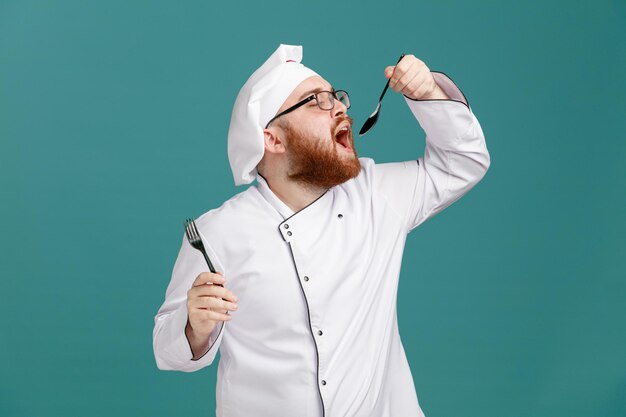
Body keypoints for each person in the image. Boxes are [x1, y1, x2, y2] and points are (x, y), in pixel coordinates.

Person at [153, 44, 490, 417]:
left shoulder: (375, 194)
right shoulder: (214, 234)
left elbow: (463, 162)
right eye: (317, 101)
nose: (341, 107)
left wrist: (427, 93)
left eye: (336, 96)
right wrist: (194, 324)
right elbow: (167, 352)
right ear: (273, 139)